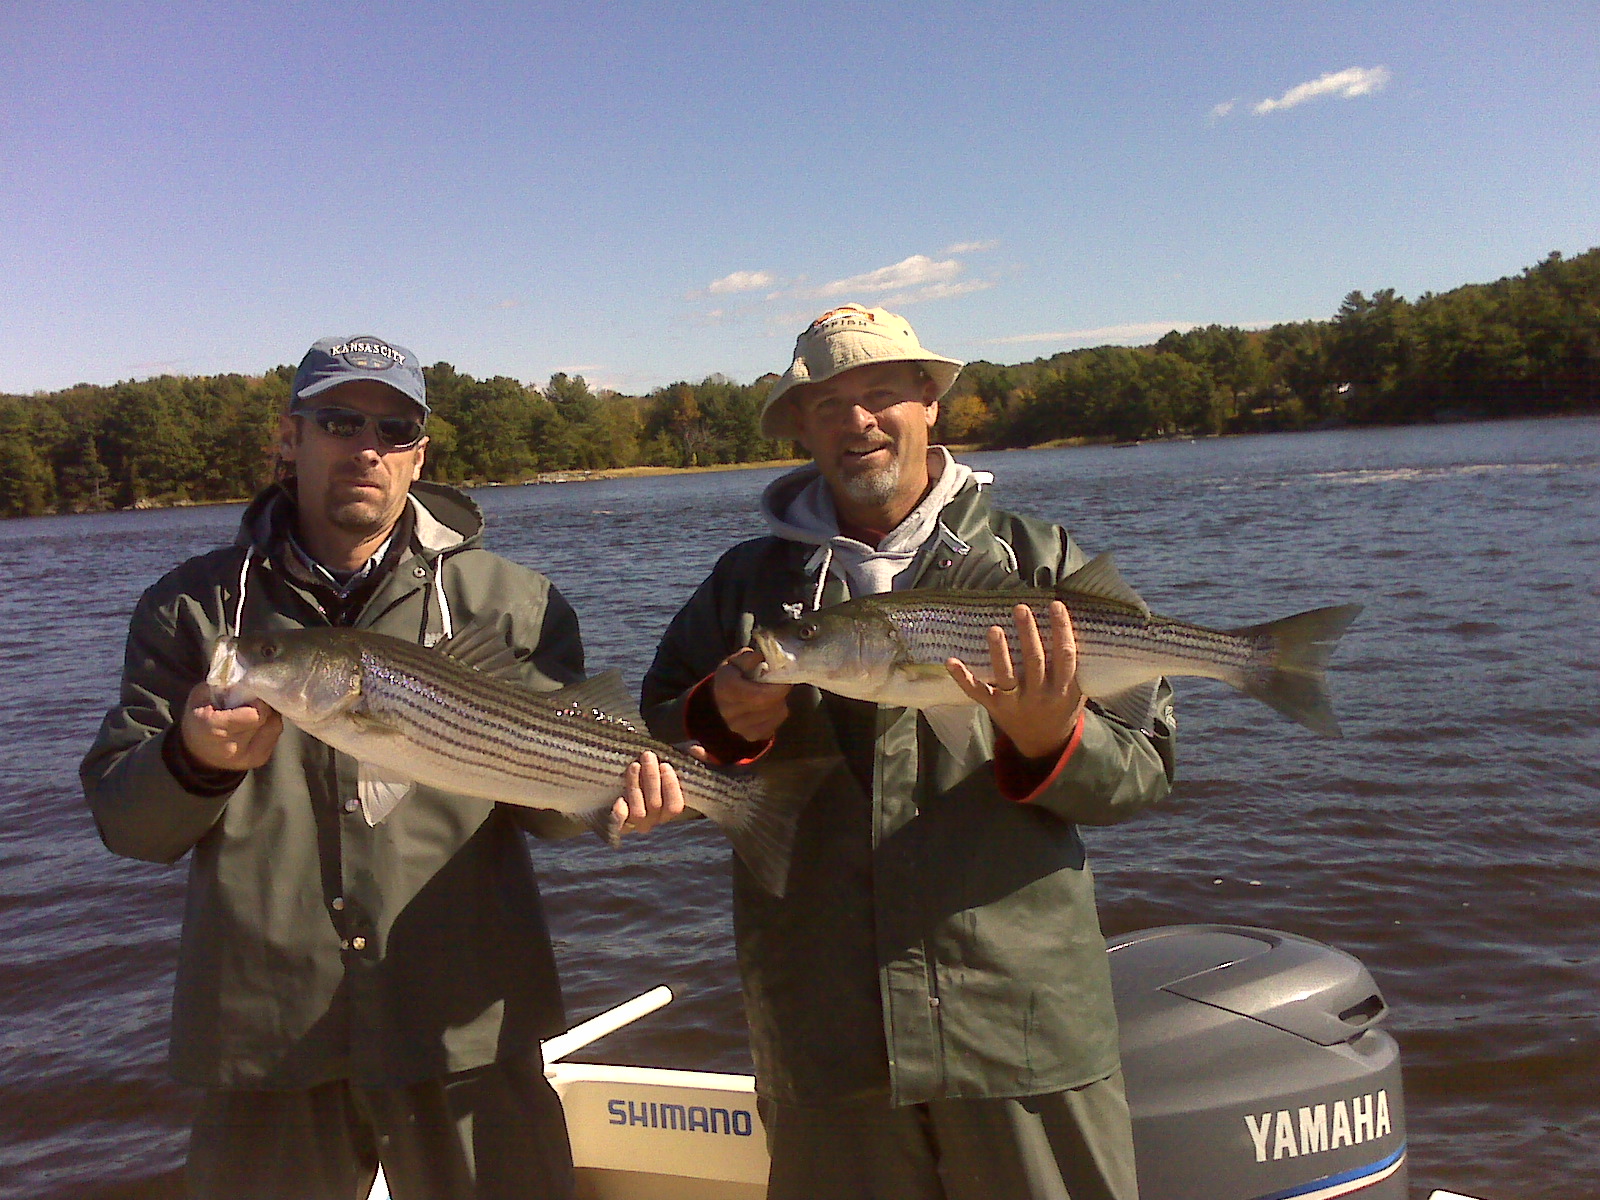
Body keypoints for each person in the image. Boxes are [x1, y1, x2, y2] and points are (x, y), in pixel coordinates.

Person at [81, 335, 682, 1200]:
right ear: (290, 437)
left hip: (465, 1024)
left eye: (394, 428)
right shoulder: (193, 610)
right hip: (265, 1042)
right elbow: (126, 824)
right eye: (338, 420)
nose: (367, 447)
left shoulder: (514, 602)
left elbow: (546, 804)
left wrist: (621, 802)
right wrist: (191, 761)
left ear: (419, 454)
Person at [641, 304, 1177, 1200]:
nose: (857, 422)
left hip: (1021, 1031)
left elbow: (1146, 766)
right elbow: (656, 742)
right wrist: (729, 721)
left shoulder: (1040, 561)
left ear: (929, 403)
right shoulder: (746, 588)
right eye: (827, 405)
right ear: (802, 429)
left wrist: (1054, 739)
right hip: (823, 1043)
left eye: (881, 394)